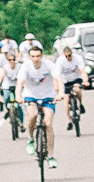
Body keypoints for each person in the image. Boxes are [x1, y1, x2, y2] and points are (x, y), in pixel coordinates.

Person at [13, 41, 60, 169]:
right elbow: (20, 82)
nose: (35, 59)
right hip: (31, 96)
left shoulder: (49, 65)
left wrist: (60, 93)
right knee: (32, 115)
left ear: (42, 55)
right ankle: (30, 139)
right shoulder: (26, 67)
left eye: (38, 56)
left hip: (48, 96)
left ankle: (50, 156)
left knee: (48, 123)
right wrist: (18, 96)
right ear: (29, 57)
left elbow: (58, 79)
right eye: (33, 56)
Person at [54, 40, 89, 119]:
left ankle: (80, 103)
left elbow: (82, 71)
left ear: (71, 54)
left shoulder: (78, 58)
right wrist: (56, 86)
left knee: (77, 89)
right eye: (66, 56)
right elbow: (57, 75)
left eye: (69, 55)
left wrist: (85, 80)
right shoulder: (60, 61)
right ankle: (69, 120)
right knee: (66, 100)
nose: (68, 58)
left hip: (76, 78)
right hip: (65, 80)